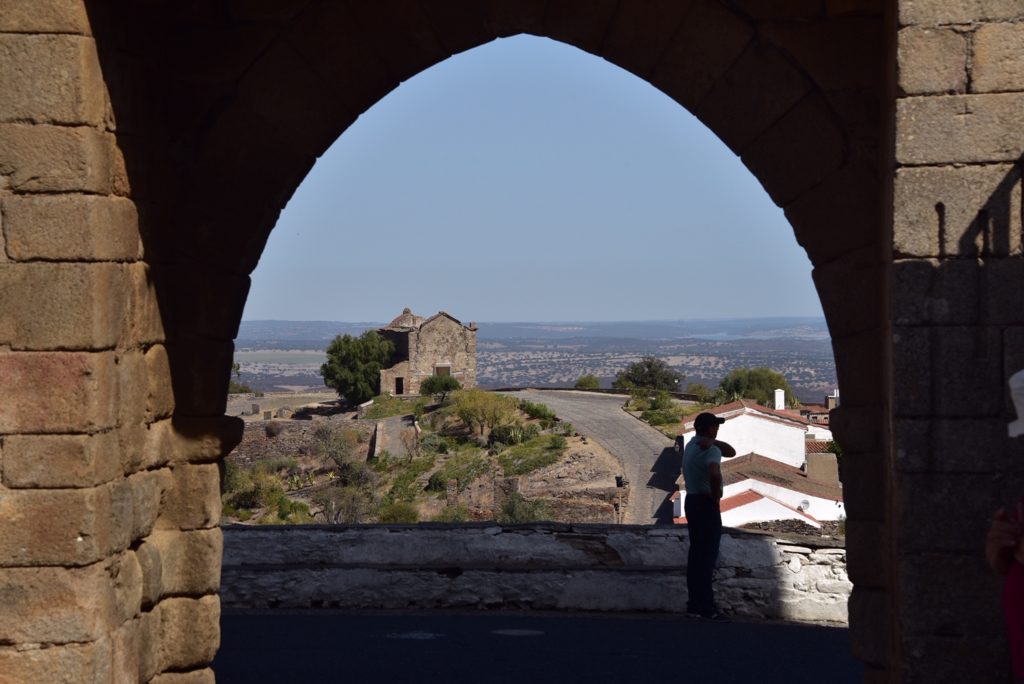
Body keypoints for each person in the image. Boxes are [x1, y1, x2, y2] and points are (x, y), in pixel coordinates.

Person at [679, 412, 736, 619]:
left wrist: (713, 441)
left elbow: (731, 451)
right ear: (709, 428)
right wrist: (716, 495)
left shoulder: (691, 446)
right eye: (715, 426)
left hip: (691, 501)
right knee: (707, 556)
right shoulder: (711, 451)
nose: (717, 428)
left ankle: (694, 604)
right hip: (705, 503)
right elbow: (714, 472)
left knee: (696, 555)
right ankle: (707, 607)